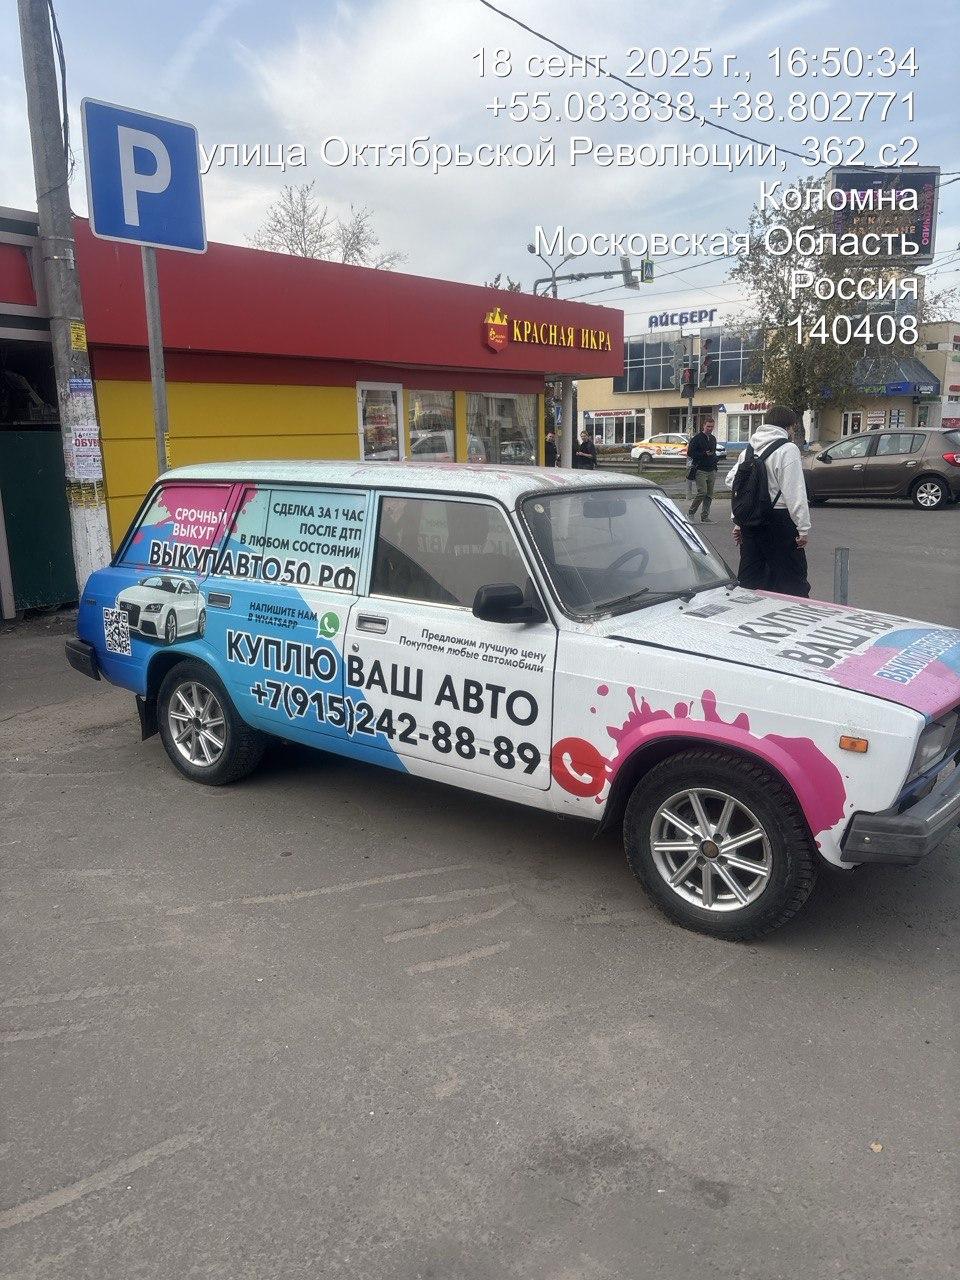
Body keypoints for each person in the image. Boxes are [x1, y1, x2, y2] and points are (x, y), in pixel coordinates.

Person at [724, 405, 811, 597]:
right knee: (792, 582)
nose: (792, 432)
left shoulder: (748, 450)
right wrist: (803, 528)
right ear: (788, 426)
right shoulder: (788, 449)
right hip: (779, 522)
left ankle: (747, 612)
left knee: (751, 582)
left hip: (750, 523)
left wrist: (738, 522)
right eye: (793, 428)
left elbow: (734, 483)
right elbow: (795, 491)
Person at [687, 417, 719, 522]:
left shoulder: (713, 438)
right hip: (700, 469)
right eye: (708, 426)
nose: (710, 428)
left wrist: (715, 463)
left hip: (712, 470)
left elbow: (713, 452)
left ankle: (705, 517)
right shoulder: (697, 438)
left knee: (709, 495)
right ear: (703, 426)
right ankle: (690, 513)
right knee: (702, 492)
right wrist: (703, 454)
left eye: (712, 427)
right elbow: (690, 453)